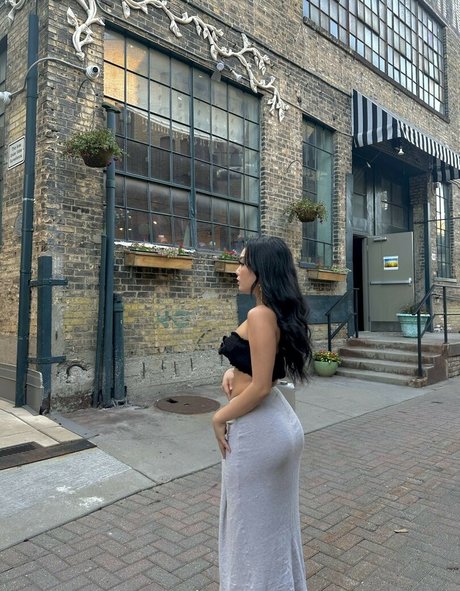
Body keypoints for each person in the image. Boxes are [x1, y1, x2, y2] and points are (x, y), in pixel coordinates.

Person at [213, 235, 312, 591]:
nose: (237, 270)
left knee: (248, 531)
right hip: (278, 425)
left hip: (260, 431)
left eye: (243, 263)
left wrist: (219, 417)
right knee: (275, 527)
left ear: (261, 271)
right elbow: (266, 371)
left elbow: (260, 387)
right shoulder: (274, 312)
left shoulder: (259, 314)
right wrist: (235, 369)